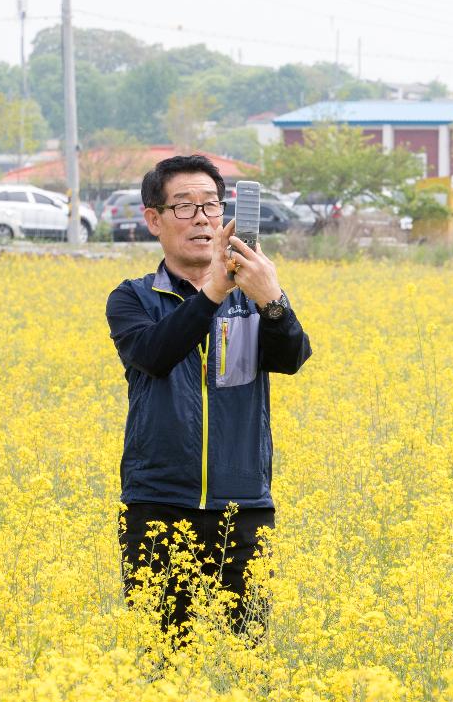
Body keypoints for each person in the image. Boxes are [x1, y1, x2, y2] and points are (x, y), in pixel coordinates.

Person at [106, 155, 312, 642]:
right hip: (157, 505)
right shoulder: (133, 297)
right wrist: (216, 289)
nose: (202, 217)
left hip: (242, 506)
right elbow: (157, 353)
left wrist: (272, 301)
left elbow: (291, 357)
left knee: (247, 665)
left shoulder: (253, 294)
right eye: (184, 206)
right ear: (153, 219)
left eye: (212, 205)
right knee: (160, 662)